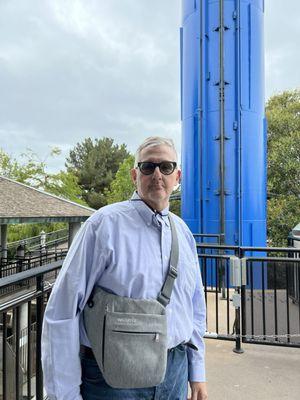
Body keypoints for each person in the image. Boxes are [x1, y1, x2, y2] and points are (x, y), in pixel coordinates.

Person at [42, 136, 208, 400]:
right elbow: (62, 311)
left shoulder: (183, 232)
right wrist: (65, 394)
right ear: (134, 175)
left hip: (174, 373)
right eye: (147, 167)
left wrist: (196, 370)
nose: (157, 174)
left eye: (166, 167)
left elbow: (194, 304)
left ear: (177, 177)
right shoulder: (104, 225)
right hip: (113, 380)